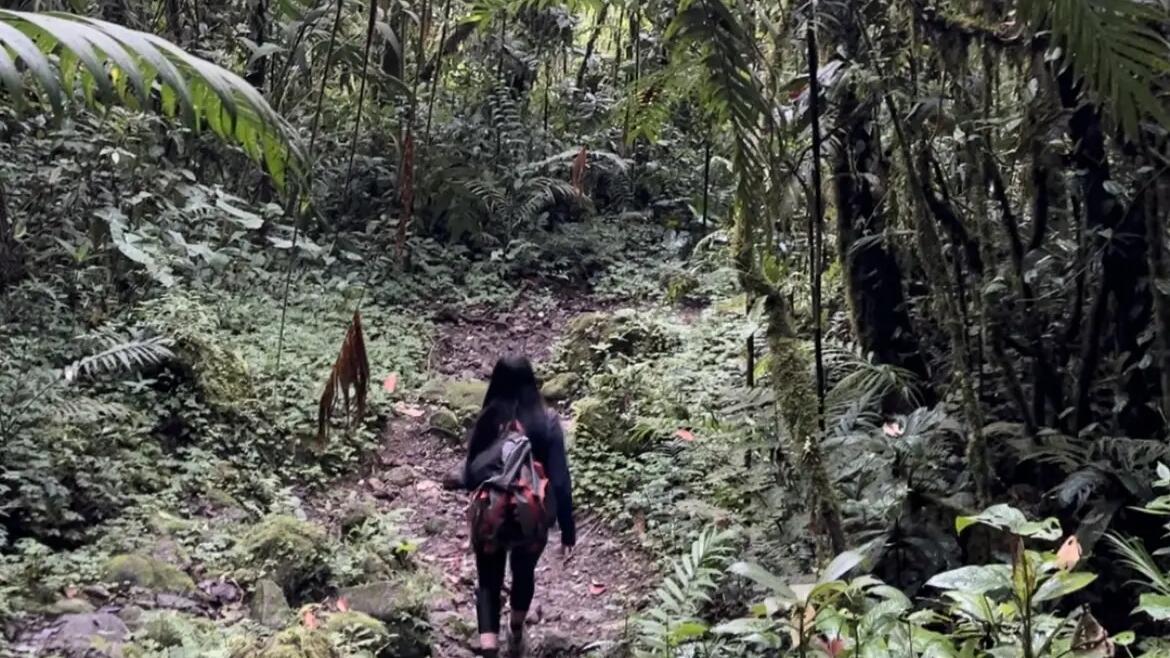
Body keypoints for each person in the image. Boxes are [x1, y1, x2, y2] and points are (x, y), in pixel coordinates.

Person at [459, 355, 576, 657]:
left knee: (488, 579)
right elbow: (560, 482)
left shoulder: (488, 419)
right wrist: (567, 531)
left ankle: (488, 647)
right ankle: (515, 630)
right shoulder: (546, 422)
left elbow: (469, 477)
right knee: (524, 571)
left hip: (491, 519)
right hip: (532, 520)